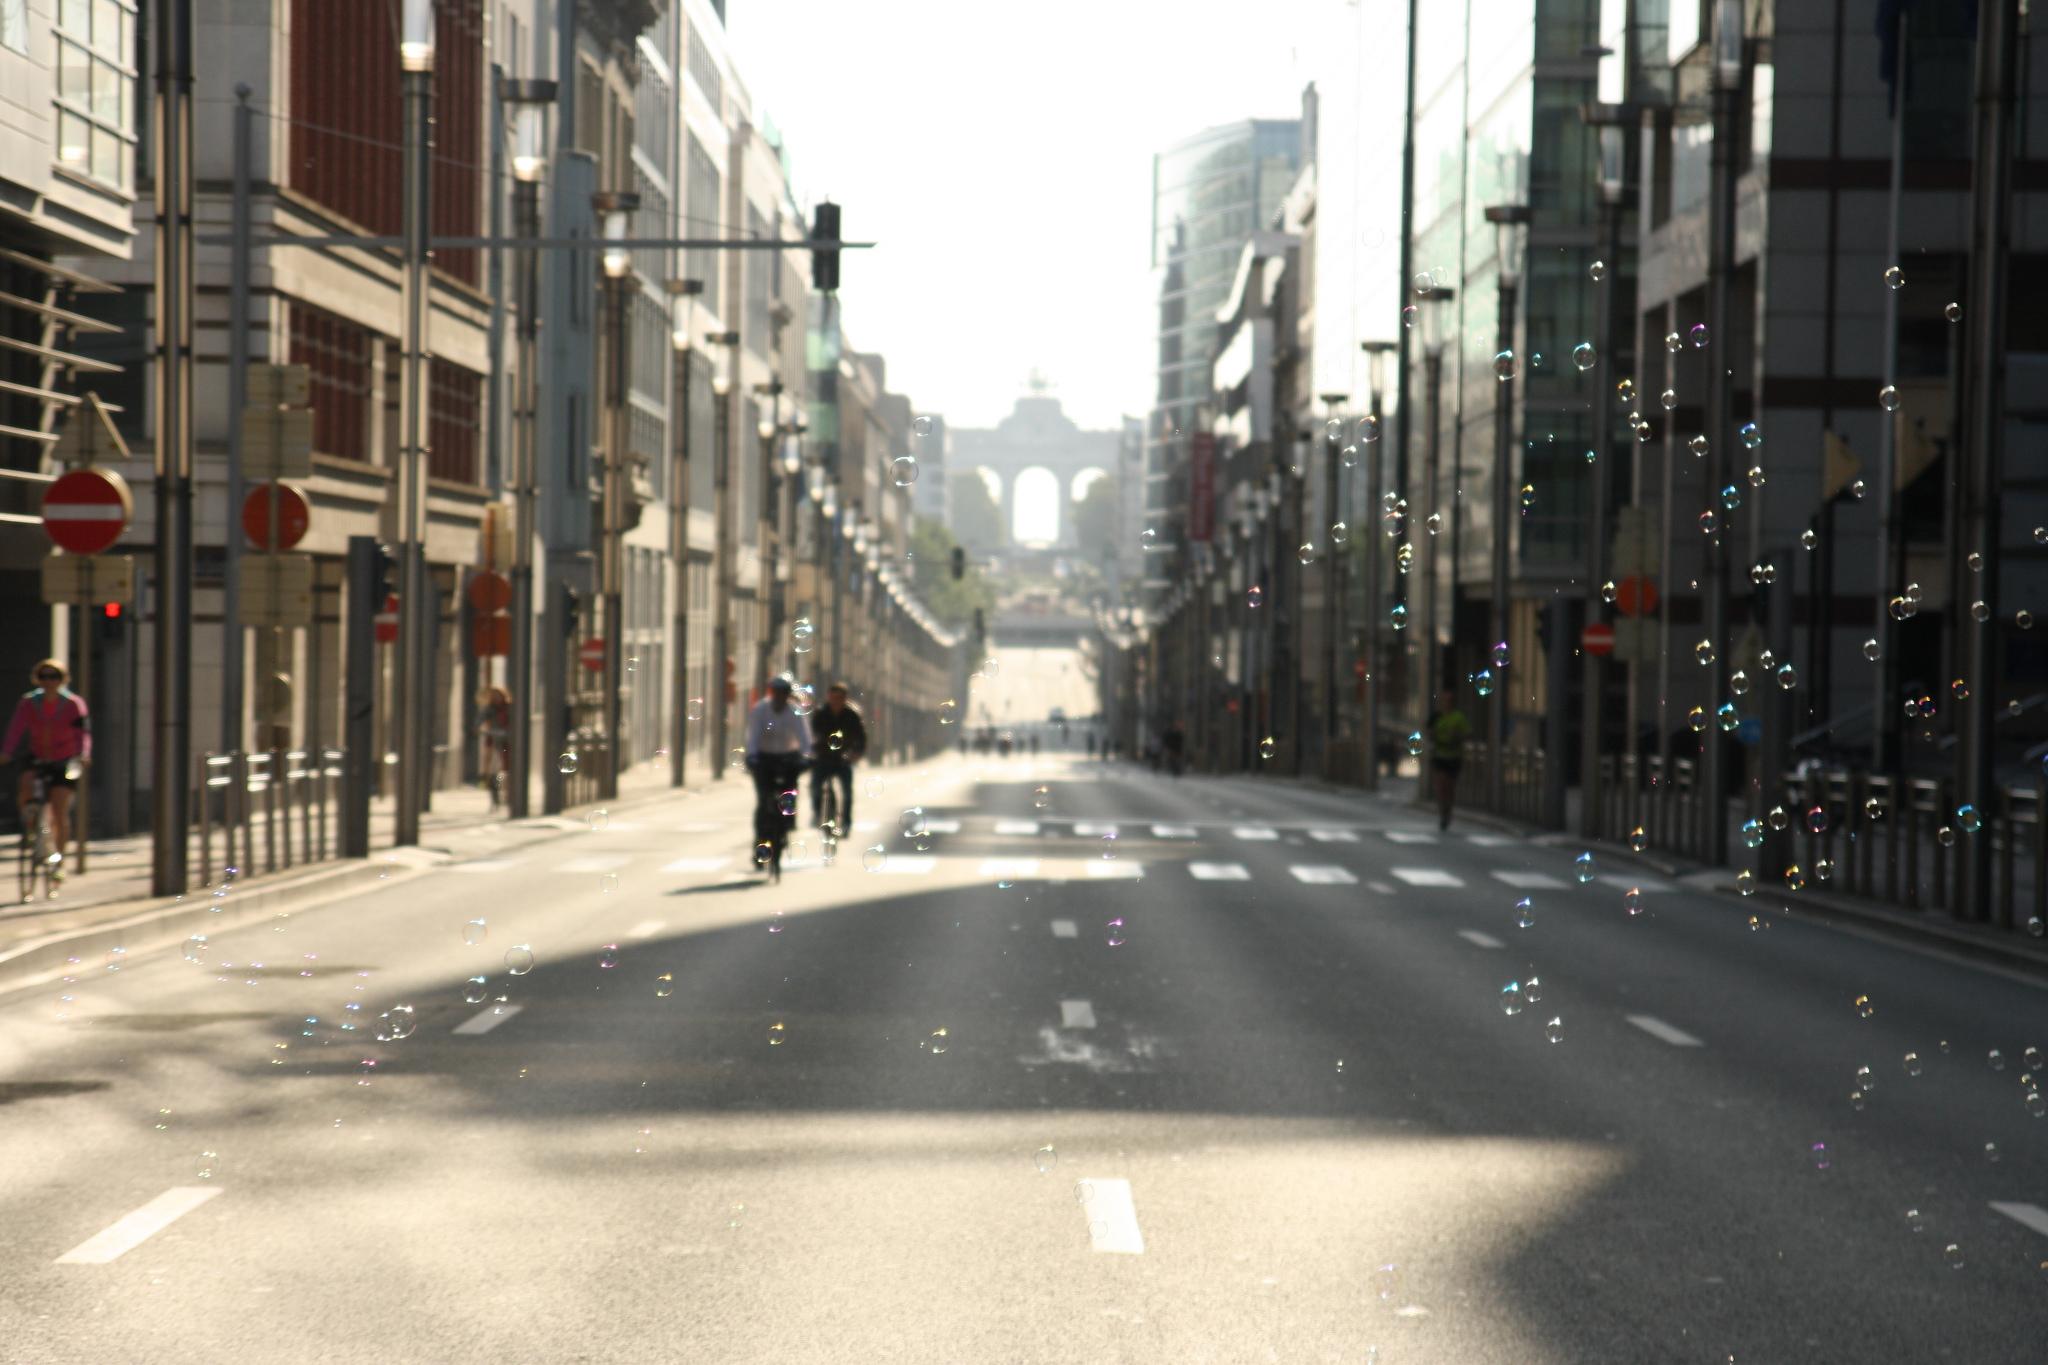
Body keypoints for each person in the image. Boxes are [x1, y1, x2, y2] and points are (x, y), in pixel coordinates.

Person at [5, 658, 91, 886]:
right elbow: (16, 728)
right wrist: (6, 751)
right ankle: (31, 824)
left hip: (63, 759)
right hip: (38, 755)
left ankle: (59, 860)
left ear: (62, 679)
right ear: (38, 679)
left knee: (59, 809)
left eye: (54, 677)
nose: (49, 682)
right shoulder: (29, 702)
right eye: (44, 677)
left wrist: (83, 754)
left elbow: (83, 733)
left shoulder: (73, 703)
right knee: (26, 782)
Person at [744, 676, 812, 868]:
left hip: (788, 756)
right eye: (776, 694)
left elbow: (804, 737)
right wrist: (752, 756)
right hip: (764, 757)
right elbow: (753, 736)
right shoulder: (760, 710)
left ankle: (788, 824)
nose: (779, 698)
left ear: (787, 695)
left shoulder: (794, 712)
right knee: (764, 799)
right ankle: (760, 842)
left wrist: (806, 757)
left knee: (789, 792)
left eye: (783, 694)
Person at [809, 681, 867, 832]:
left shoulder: (851, 716)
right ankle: (817, 813)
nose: (836, 701)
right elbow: (812, 736)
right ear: (828, 697)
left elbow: (861, 737)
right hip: (823, 757)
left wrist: (857, 753)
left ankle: (846, 822)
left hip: (843, 758)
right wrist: (812, 751)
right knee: (815, 786)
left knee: (847, 791)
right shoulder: (820, 713)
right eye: (833, 697)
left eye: (839, 698)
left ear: (845, 698)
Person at [1427, 689, 1473, 831]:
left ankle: (1448, 812)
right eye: (1445, 700)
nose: (1447, 703)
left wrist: (1457, 736)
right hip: (1440, 756)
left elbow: (1468, 733)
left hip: (1454, 756)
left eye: (1450, 701)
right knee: (1441, 787)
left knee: (1450, 788)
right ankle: (1443, 815)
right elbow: (1428, 731)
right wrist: (1433, 734)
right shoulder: (1437, 716)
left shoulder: (1458, 717)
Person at [477, 685, 511, 807]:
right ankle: (495, 796)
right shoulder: (490, 709)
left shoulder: (508, 708)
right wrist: (480, 728)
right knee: (493, 769)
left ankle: (507, 795)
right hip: (493, 742)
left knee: (507, 769)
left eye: (498, 695)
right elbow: (479, 721)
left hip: (507, 743)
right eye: (494, 695)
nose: (496, 698)